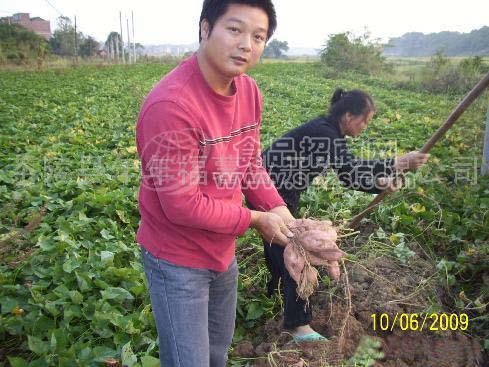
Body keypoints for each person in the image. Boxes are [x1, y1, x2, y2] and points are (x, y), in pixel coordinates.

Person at [135, 1, 343, 366]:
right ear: (205, 29)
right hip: (176, 261)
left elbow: (248, 164)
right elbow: (181, 204)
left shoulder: (247, 92)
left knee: (217, 352)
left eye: (258, 36)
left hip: (221, 253)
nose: (247, 44)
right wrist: (255, 220)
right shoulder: (171, 106)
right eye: (234, 29)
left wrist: (279, 211)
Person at [249, 88, 429, 342]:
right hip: (269, 190)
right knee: (296, 253)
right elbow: (350, 168)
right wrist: (395, 163)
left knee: (278, 247)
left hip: (281, 192)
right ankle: (298, 325)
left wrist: (380, 184)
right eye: (365, 120)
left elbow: (348, 175)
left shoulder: (329, 132)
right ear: (347, 116)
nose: (366, 126)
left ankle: (275, 292)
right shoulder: (325, 132)